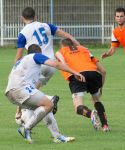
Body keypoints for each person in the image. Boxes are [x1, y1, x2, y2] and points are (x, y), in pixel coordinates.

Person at [14, 6, 80, 141]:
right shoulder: (46, 25)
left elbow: (19, 56)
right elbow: (66, 35)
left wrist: (16, 69)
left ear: (22, 18)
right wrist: (76, 43)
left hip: (36, 65)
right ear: (35, 16)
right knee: (35, 98)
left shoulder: (23, 33)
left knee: (31, 96)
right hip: (50, 67)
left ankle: (22, 117)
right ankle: (55, 135)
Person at [5, 44, 85, 144]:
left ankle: (57, 136)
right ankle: (26, 128)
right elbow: (56, 64)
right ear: (40, 52)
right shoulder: (36, 56)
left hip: (10, 92)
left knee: (47, 105)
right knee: (49, 104)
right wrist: (74, 72)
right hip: (21, 89)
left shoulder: (23, 61)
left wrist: (19, 109)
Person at [55, 38, 109, 132]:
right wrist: (101, 88)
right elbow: (103, 71)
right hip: (93, 74)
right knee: (96, 100)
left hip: (77, 75)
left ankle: (91, 114)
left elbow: (63, 64)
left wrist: (74, 73)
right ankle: (105, 126)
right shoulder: (85, 49)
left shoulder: (60, 52)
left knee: (78, 108)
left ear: (62, 46)